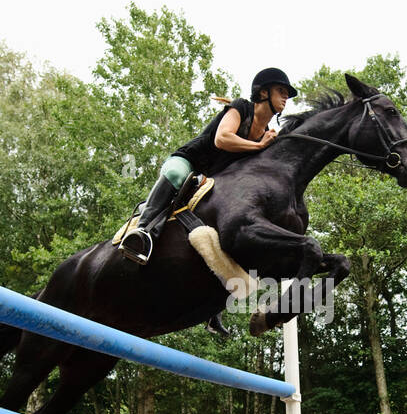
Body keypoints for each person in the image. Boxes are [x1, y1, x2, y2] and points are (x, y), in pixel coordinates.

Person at [118, 67, 298, 266]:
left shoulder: (265, 133)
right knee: (176, 174)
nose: (286, 97)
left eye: (287, 94)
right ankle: (141, 233)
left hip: (212, 180)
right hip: (191, 163)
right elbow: (222, 139)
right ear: (264, 92)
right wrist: (259, 146)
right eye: (281, 91)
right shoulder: (241, 107)